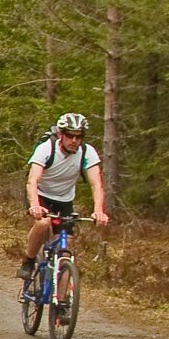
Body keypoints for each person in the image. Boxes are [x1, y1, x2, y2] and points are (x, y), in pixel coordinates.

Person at [16, 112, 110, 280]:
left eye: (78, 136)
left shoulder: (87, 152)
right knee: (43, 223)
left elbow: (96, 184)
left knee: (66, 252)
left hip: (64, 200)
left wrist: (98, 211)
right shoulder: (46, 148)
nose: (74, 140)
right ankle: (28, 262)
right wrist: (34, 205)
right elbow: (33, 180)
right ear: (60, 134)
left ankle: (61, 303)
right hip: (41, 195)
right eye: (69, 135)